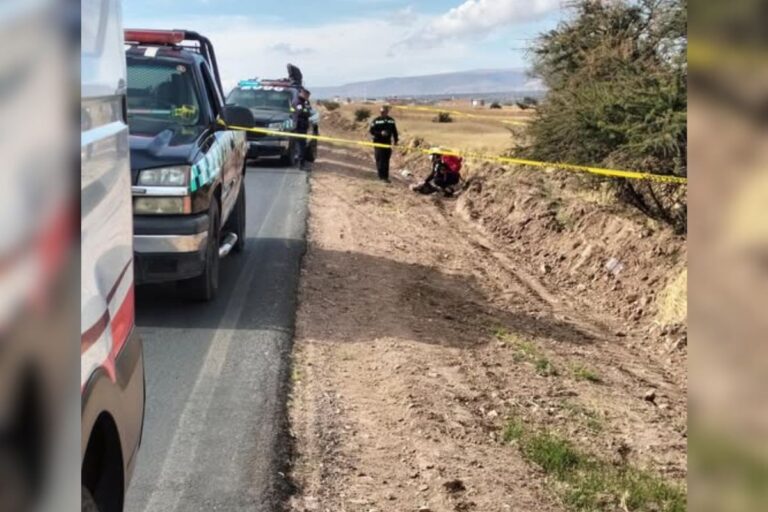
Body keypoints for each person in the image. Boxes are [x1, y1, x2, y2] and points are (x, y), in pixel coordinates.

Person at [369, 105, 399, 182]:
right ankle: (381, 177)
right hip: (378, 142)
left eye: (384, 112)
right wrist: (380, 133)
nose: (382, 113)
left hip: (387, 143)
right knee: (379, 160)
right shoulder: (376, 120)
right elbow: (371, 131)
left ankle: (385, 177)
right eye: (381, 112)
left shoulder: (391, 120)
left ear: (387, 112)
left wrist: (396, 141)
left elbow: (394, 131)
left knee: (386, 160)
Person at [291, 89, 312, 170]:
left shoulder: (304, 102)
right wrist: (306, 110)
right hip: (299, 127)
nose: (307, 97)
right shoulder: (298, 102)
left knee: (301, 145)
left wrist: (306, 110)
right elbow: (301, 112)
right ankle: (301, 164)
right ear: (303, 94)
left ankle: (300, 162)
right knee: (300, 146)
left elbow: (308, 112)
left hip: (302, 126)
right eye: (307, 96)